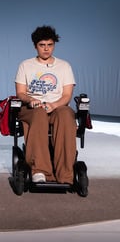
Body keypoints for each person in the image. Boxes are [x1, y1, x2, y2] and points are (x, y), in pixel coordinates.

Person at [15, 25, 77, 184]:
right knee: (39, 113)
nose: (46, 49)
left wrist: (54, 105)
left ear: (54, 45)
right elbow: (20, 93)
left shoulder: (64, 66)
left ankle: (65, 173)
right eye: (42, 45)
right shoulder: (25, 65)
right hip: (32, 108)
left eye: (50, 45)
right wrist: (31, 100)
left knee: (65, 114)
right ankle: (40, 170)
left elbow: (67, 95)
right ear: (35, 46)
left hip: (57, 106)